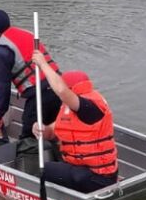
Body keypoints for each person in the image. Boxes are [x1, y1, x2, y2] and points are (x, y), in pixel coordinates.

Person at [27, 51, 118, 192]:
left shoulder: (90, 107)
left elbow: (62, 91)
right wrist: (40, 129)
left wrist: (43, 64)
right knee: (57, 166)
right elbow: (51, 132)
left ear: (71, 90)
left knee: (45, 169)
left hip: (98, 177)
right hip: (81, 170)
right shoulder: (69, 109)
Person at [0, 9, 60, 147]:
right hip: (59, 87)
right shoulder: (27, 34)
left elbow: (3, 86)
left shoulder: (2, 51)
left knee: (28, 140)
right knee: (55, 133)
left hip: (39, 96)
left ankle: (30, 159)